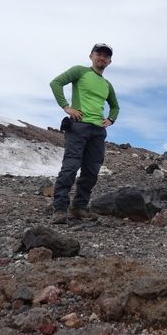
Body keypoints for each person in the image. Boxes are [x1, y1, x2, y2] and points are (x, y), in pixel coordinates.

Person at [50, 43, 119, 223]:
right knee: (71, 167)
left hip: (98, 131)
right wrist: (67, 107)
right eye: (99, 54)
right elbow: (56, 83)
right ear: (91, 56)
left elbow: (115, 106)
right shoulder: (80, 71)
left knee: (91, 171)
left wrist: (110, 119)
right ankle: (59, 208)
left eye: (106, 56)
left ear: (109, 61)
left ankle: (79, 208)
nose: (102, 57)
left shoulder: (107, 85)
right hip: (78, 126)